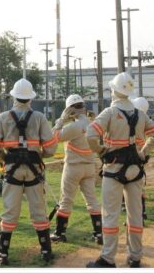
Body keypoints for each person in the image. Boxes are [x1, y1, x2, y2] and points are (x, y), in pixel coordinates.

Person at [85, 73, 154, 268]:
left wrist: (101, 151)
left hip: (113, 170)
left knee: (110, 214)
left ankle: (108, 259)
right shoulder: (140, 114)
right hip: (135, 170)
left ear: (114, 91)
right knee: (135, 214)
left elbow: (90, 134)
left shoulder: (109, 113)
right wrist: (143, 152)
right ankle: (135, 257)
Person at [0, 78, 58, 265]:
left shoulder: (3, 117)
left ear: (14, 97)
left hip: (12, 170)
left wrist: (4, 157)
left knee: (9, 212)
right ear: (30, 98)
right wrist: (39, 154)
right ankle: (46, 251)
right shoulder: (39, 117)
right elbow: (51, 148)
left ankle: (3, 254)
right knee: (38, 211)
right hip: (34, 170)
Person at [50, 94, 103, 244]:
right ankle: (98, 234)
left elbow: (53, 137)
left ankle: (60, 233)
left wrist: (60, 120)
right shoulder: (93, 123)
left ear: (70, 109)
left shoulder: (74, 126)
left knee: (66, 200)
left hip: (73, 167)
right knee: (92, 201)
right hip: (89, 167)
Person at [131, 97, 150, 221]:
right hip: (141, 155)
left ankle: (137, 214)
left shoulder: (134, 120)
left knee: (131, 186)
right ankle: (142, 212)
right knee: (138, 185)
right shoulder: (144, 119)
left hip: (132, 154)